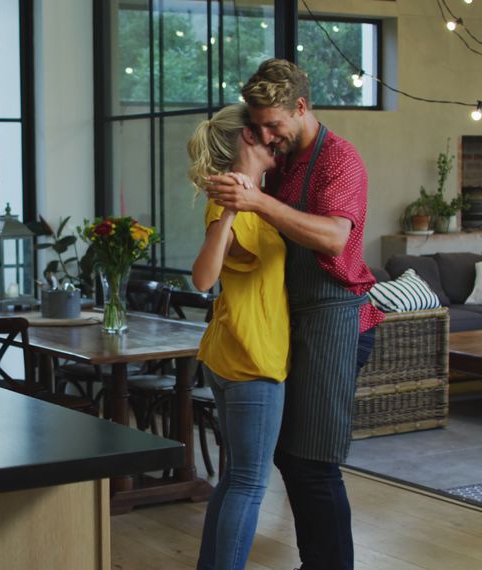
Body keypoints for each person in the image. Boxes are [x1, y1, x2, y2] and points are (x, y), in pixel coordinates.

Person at [206, 59, 384, 570]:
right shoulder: (277, 158)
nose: (267, 135)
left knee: (312, 462)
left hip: (336, 313)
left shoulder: (340, 160)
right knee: (285, 457)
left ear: (301, 107)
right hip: (289, 318)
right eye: (256, 126)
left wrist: (258, 201)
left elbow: (333, 236)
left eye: (273, 124)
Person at [188, 103, 290, 569]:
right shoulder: (229, 199)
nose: (275, 139)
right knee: (250, 482)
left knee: (235, 478)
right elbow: (204, 278)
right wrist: (229, 212)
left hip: (231, 355)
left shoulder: (256, 197)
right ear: (248, 138)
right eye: (266, 131)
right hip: (251, 361)